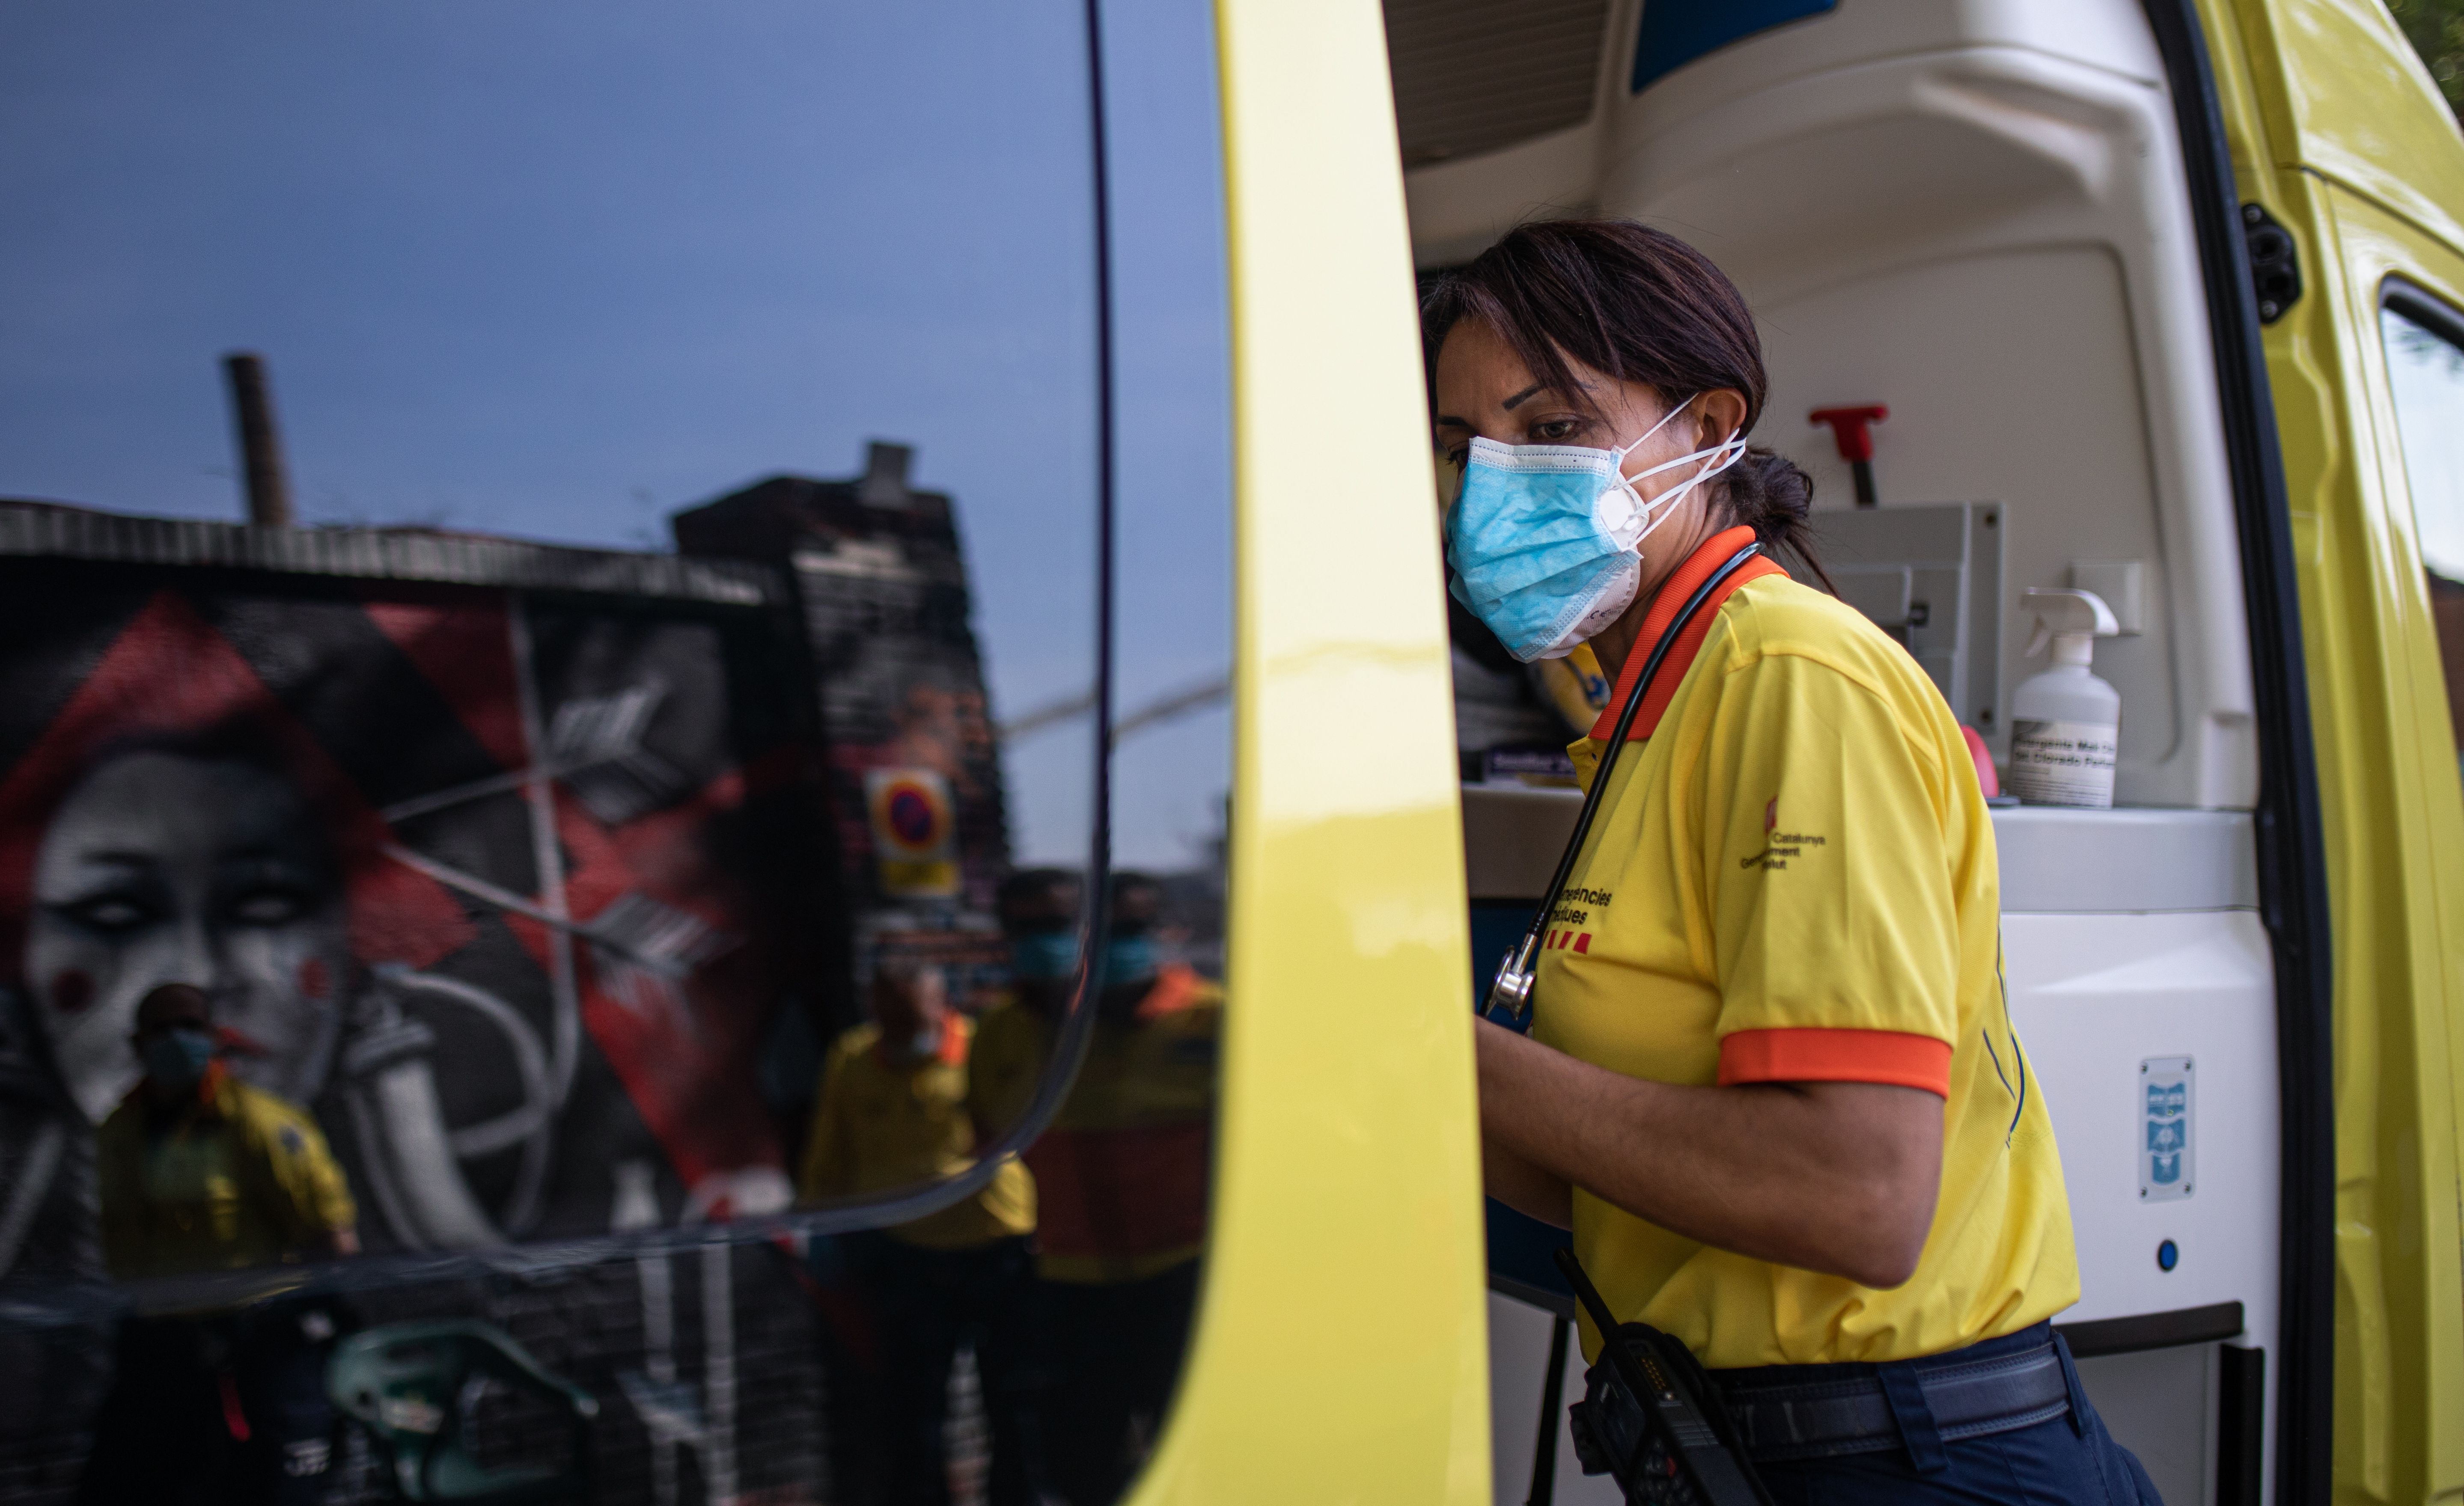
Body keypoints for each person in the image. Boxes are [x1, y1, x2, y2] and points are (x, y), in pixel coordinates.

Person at [1427, 220, 2158, 1503]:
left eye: (1548, 432)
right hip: (1746, 1451)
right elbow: (1613, 1181)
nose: (1491, 483)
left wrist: (1434, 1047)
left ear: (1704, 424)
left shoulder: (1790, 679)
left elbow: (1853, 1198)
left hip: (1910, 1462)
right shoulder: (1654, 704)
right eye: (1458, 445)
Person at [971, 870, 1220, 1506]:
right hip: (1067, 1291)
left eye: (1133, 930)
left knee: (1197, 1455)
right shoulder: (1004, 1035)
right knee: (1080, 1464)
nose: (1119, 944)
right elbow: (986, 1144)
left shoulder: (1213, 1020)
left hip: (1188, 1281)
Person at [80, 981, 359, 1506]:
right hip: (161, 1342)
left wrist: (284, 1317)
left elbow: (334, 1240)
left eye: (190, 1026)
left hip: (260, 1342)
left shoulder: (261, 1124)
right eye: (161, 1028)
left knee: (272, 1487)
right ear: (138, 1043)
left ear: (215, 1038)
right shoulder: (120, 1133)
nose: (175, 1040)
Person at [800, 962, 1037, 1506]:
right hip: (905, 1257)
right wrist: (820, 1227)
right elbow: (828, 1153)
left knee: (1014, 1399)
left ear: (940, 1005)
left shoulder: (980, 1053)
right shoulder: (854, 1060)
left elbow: (1030, 1137)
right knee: (913, 1411)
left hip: (994, 1246)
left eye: (911, 1012)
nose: (899, 1026)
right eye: (887, 1013)